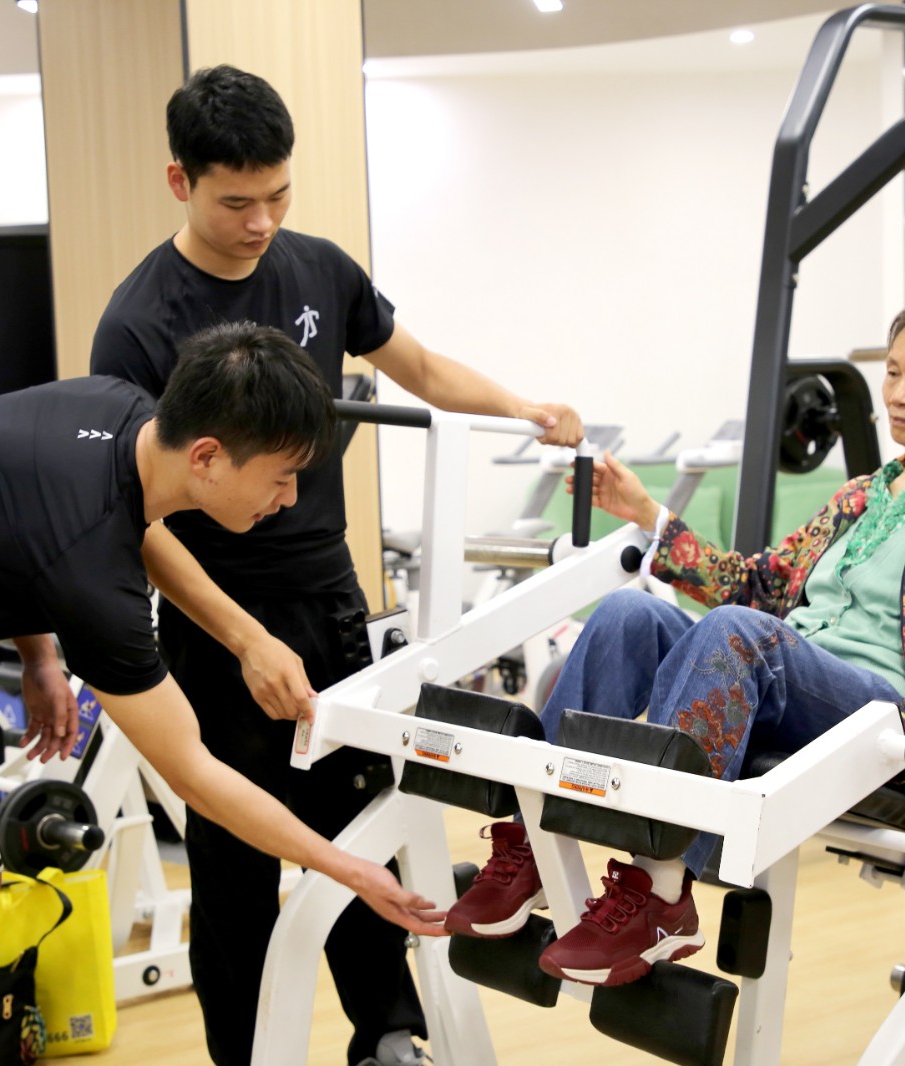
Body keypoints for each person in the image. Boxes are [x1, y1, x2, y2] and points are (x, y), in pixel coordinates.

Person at [0, 323, 447, 1066]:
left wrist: (48, 654)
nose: (290, 498)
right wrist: (350, 869)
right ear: (207, 457)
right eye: (281, 477)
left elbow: (22, 515)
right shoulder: (93, 578)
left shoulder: (126, 414)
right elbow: (194, 773)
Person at [88, 64, 584, 1066]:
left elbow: (422, 368)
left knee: (361, 820)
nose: (261, 222)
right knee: (234, 859)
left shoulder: (318, 268)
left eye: (278, 195)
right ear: (180, 182)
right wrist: (243, 637)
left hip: (327, 593)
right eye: (237, 202)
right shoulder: (138, 321)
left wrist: (523, 407)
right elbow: (135, 522)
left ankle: (388, 1037)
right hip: (213, 608)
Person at [444, 294, 905, 989]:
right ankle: (531, 841)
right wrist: (648, 514)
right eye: (892, 372)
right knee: (625, 615)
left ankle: (662, 893)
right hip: (789, 674)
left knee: (740, 633)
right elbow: (758, 585)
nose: (897, 393)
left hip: (887, 716)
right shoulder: (862, 496)